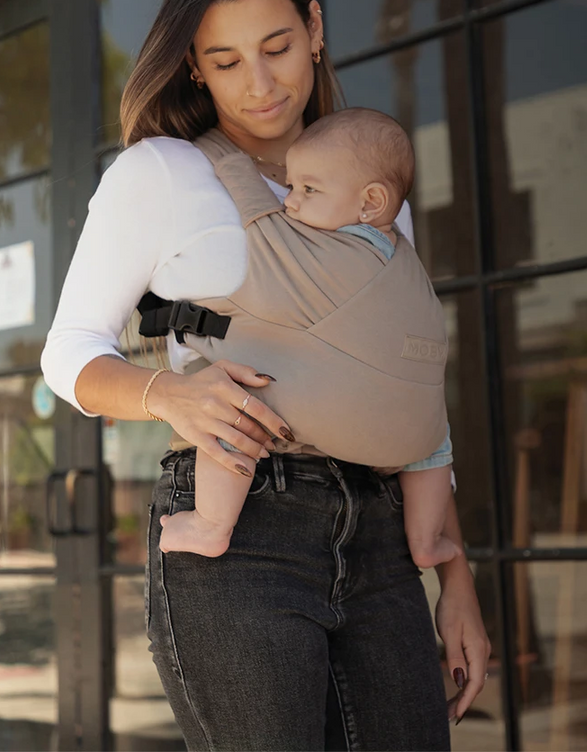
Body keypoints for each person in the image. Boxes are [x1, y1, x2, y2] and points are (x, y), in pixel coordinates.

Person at [40, 0, 489, 751]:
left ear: (316, 29)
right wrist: (168, 393)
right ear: (194, 69)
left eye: (278, 47)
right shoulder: (162, 174)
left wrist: (456, 578)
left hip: (383, 536)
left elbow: (409, 393)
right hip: (240, 534)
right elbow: (68, 351)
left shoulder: (373, 197)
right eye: (226, 61)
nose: (259, 84)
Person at [158, 107, 463, 569]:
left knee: (239, 402)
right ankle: (427, 540)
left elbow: (253, 208)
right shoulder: (402, 256)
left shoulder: (320, 252)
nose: (290, 201)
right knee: (436, 441)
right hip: (411, 440)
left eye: (308, 189)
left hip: (334, 424)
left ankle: (211, 524)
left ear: (371, 203)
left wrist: (222, 149)